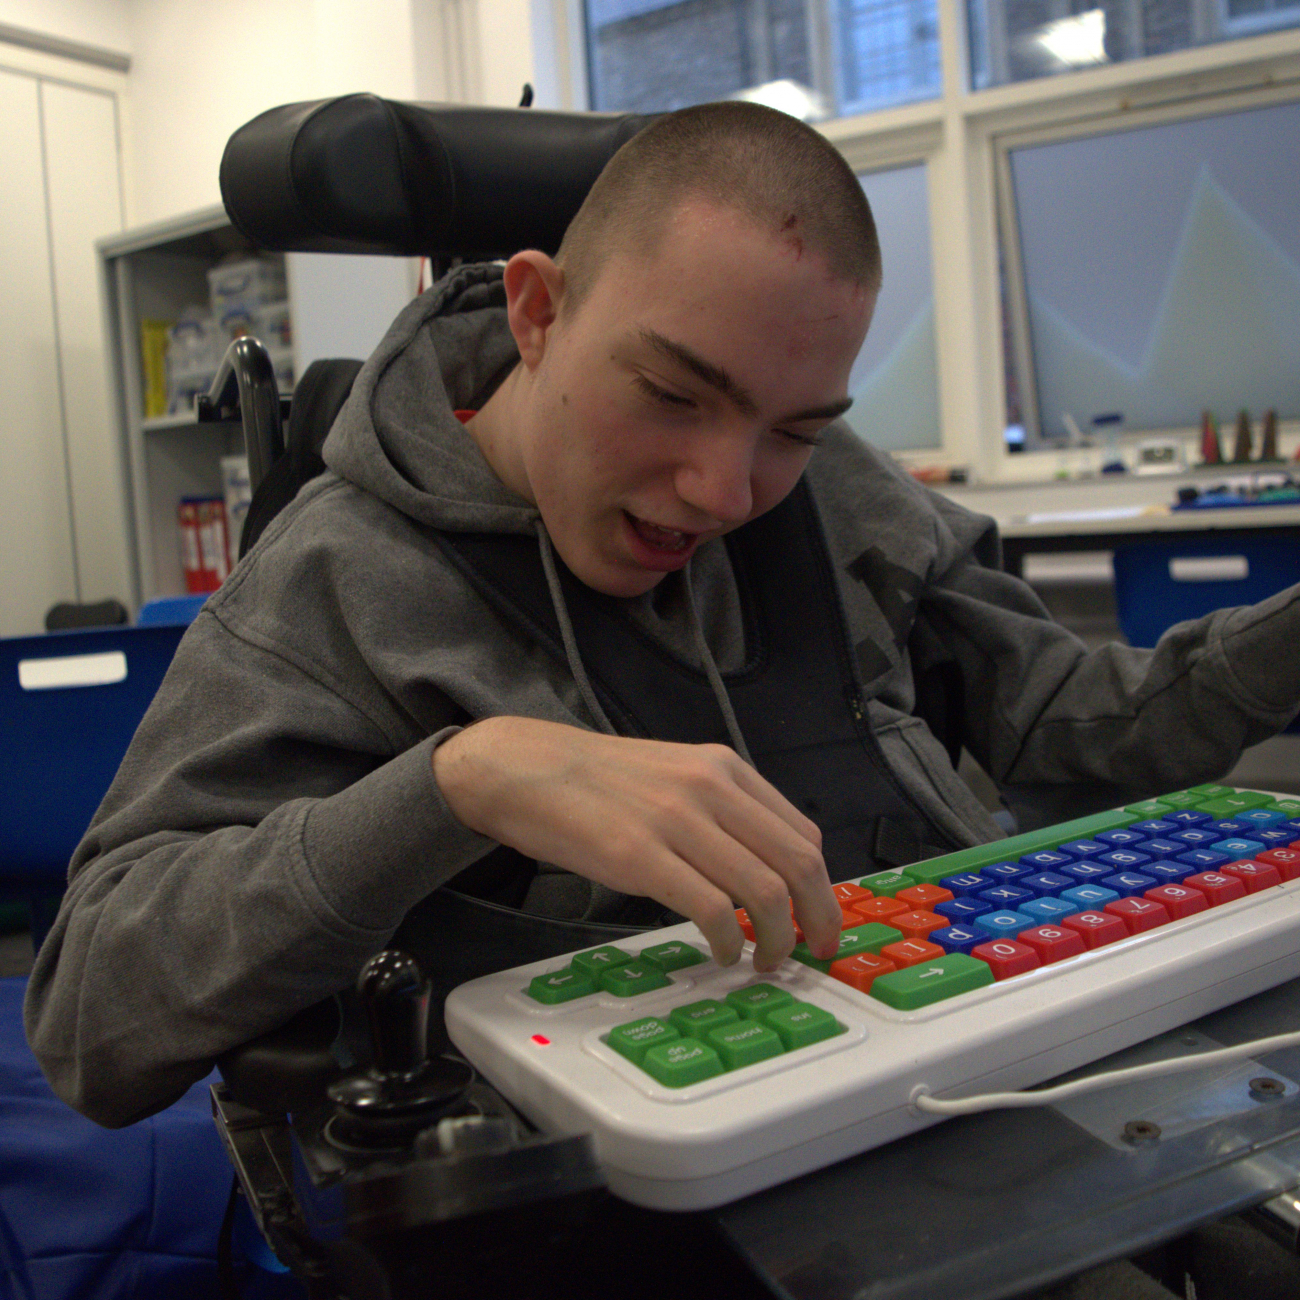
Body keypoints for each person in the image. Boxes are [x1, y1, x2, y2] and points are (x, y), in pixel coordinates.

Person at [24, 102, 1300, 1130]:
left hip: (961, 1086)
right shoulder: (336, 585)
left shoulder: (832, 493)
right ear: (536, 311)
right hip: (627, 1195)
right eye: (674, 395)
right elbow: (88, 1017)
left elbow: (1080, 724)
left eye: (793, 428)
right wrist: (455, 785)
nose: (726, 490)